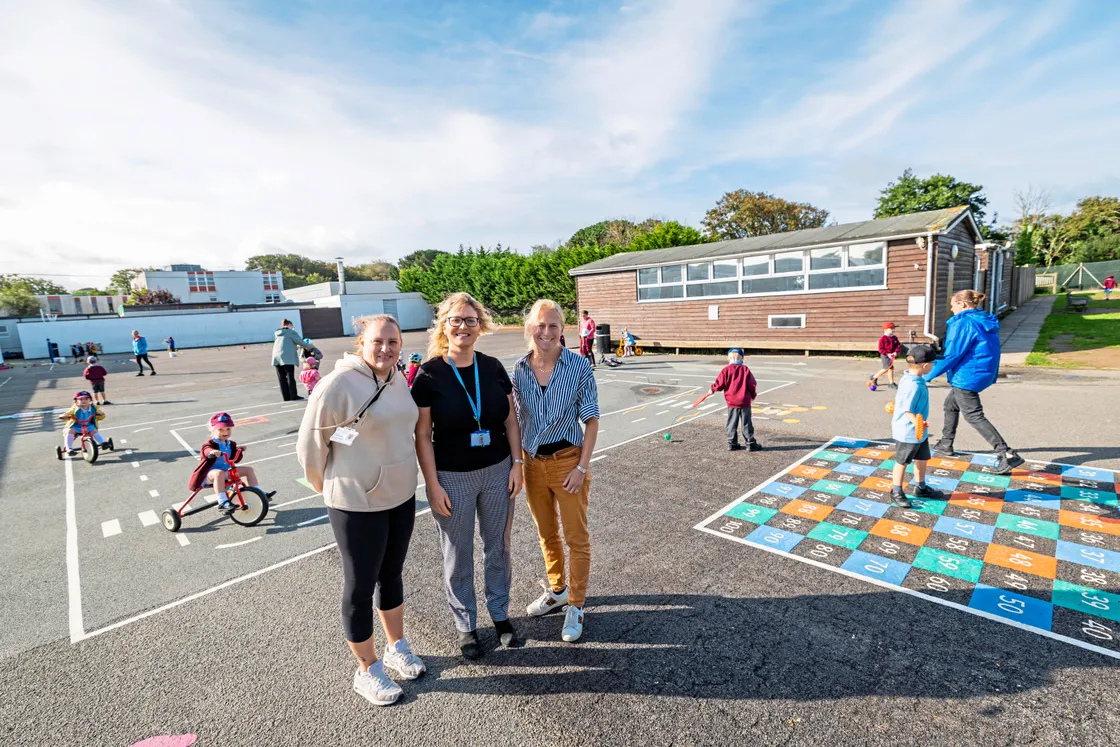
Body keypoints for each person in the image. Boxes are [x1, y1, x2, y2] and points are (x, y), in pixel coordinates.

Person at [296, 314, 426, 707]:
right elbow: (310, 447)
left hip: (400, 495)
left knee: (392, 575)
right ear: (361, 343)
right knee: (360, 586)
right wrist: (329, 486)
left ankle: (396, 646)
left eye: (393, 342)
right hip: (356, 502)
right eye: (377, 341)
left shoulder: (397, 378)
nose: (386, 348)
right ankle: (367, 669)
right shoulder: (337, 385)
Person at [412, 293, 524, 659]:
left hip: (497, 472)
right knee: (458, 553)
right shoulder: (429, 374)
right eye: (456, 320)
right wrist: (432, 484)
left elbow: (511, 420)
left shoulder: (492, 367)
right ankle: (466, 625)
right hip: (452, 477)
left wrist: (517, 464)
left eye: (470, 320)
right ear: (444, 326)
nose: (463, 326)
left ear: (480, 326)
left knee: (498, 547)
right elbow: (422, 435)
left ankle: (500, 613)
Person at [513, 299, 600, 643]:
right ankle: (558, 590)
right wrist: (517, 463)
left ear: (562, 329)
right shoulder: (519, 370)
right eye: (540, 325)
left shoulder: (578, 365)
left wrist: (581, 467)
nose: (546, 332)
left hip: (568, 462)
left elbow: (591, 420)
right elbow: (514, 421)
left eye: (553, 325)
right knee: (546, 533)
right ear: (529, 329)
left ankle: (576, 604)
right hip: (533, 464)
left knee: (576, 538)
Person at [924, 289, 1024, 475]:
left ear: (962, 304)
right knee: (950, 405)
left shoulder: (964, 323)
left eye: (953, 305)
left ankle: (1006, 453)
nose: (952, 309)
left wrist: (925, 376)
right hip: (981, 371)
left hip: (967, 374)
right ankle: (946, 443)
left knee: (973, 415)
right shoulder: (982, 320)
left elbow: (952, 355)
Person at [889, 345, 944, 508]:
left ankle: (921, 487)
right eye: (933, 363)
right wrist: (918, 423)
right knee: (902, 461)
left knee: (922, 458)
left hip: (919, 431)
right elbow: (908, 410)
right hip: (908, 431)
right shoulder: (913, 385)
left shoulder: (909, 378)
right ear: (925, 365)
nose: (933, 366)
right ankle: (896, 491)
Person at [187, 413, 274, 513]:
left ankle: (259, 492)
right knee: (218, 473)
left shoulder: (231, 444)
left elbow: (235, 459)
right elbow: (206, 450)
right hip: (209, 475)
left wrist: (238, 450)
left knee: (249, 470)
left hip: (226, 472)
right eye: (221, 430)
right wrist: (212, 452)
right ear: (212, 430)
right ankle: (222, 502)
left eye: (228, 429)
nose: (225, 432)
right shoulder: (210, 444)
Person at [693, 348, 761, 452]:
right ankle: (750, 444)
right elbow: (752, 384)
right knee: (746, 423)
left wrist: (712, 389)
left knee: (732, 422)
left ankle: (732, 443)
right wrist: (753, 395)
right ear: (742, 359)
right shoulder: (745, 370)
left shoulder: (726, 370)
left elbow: (719, 383)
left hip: (732, 402)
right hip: (744, 401)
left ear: (728, 359)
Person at [272, 319, 314, 402]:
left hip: (276, 357)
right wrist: (311, 346)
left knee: (282, 378)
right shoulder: (291, 332)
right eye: (292, 326)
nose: (292, 328)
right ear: (289, 325)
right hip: (287, 357)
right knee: (290, 377)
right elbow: (301, 342)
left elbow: (285, 345)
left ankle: (286, 397)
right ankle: (293, 396)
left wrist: (295, 347)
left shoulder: (277, 333)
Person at [869, 322, 902, 389]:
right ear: (885, 330)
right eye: (891, 328)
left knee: (890, 368)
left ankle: (891, 383)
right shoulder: (883, 338)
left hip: (892, 355)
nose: (893, 330)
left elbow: (898, 345)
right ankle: (874, 377)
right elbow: (880, 349)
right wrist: (887, 354)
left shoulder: (894, 337)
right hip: (885, 355)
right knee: (887, 368)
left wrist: (896, 352)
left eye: (893, 328)